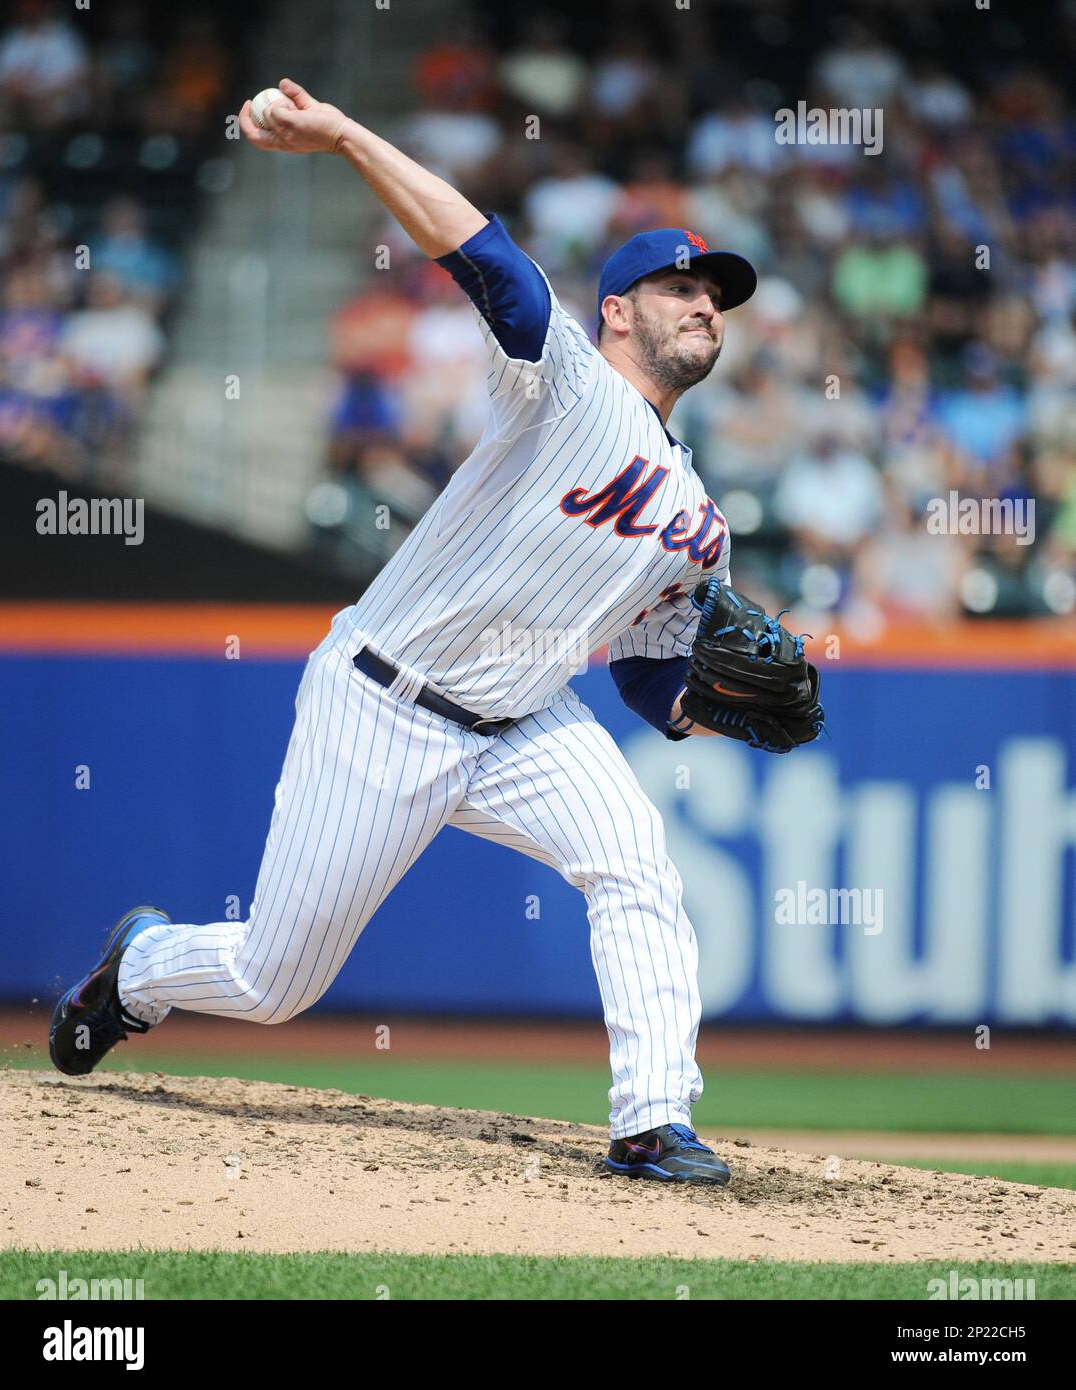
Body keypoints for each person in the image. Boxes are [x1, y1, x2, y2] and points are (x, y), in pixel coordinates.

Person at [50, 78, 762, 1187]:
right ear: (617, 310)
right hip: (383, 698)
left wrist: (698, 710)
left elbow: (648, 670)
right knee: (276, 982)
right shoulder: (564, 384)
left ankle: (651, 1119)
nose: (705, 302)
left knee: (635, 865)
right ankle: (139, 966)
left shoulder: (701, 524)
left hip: (527, 721)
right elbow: (487, 257)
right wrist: (341, 136)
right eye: (681, 284)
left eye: (717, 292)